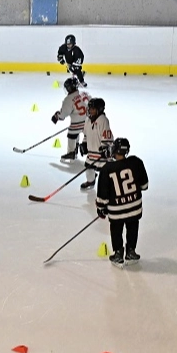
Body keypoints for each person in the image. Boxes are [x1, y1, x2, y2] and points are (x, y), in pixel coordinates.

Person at [96, 138, 149, 268]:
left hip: (116, 210)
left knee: (116, 228)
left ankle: (118, 253)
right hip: (134, 207)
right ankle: (131, 251)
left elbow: (103, 194)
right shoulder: (136, 162)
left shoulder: (107, 169)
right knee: (132, 226)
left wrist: (101, 207)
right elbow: (145, 185)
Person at [52, 77, 91, 162]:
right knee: (86, 135)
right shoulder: (84, 93)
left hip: (77, 123)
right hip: (89, 121)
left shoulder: (68, 100)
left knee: (72, 134)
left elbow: (62, 115)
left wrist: (56, 116)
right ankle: (88, 151)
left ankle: (71, 152)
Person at [79, 97, 113, 190]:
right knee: (88, 167)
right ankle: (91, 180)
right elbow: (86, 134)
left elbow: (107, 136)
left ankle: (109, 185)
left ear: (99, 109)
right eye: (89, 108)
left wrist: (105, 148)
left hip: (100, 152)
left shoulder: (103, 120)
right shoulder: (87, 120)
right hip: (91, 150)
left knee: (105, 170)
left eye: (93, 109)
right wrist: (84, 144)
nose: (90, 110)